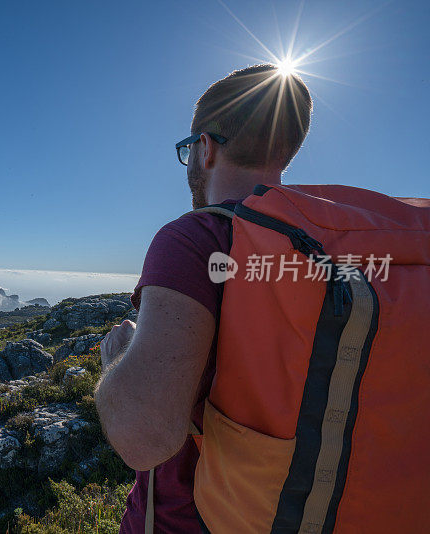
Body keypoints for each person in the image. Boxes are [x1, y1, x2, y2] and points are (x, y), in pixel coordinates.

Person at [94, 64, 313, 533]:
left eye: (188, 150)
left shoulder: (195, 237)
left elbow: (143, 436)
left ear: (206, 149)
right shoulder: (320, 245)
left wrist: (119, 356)